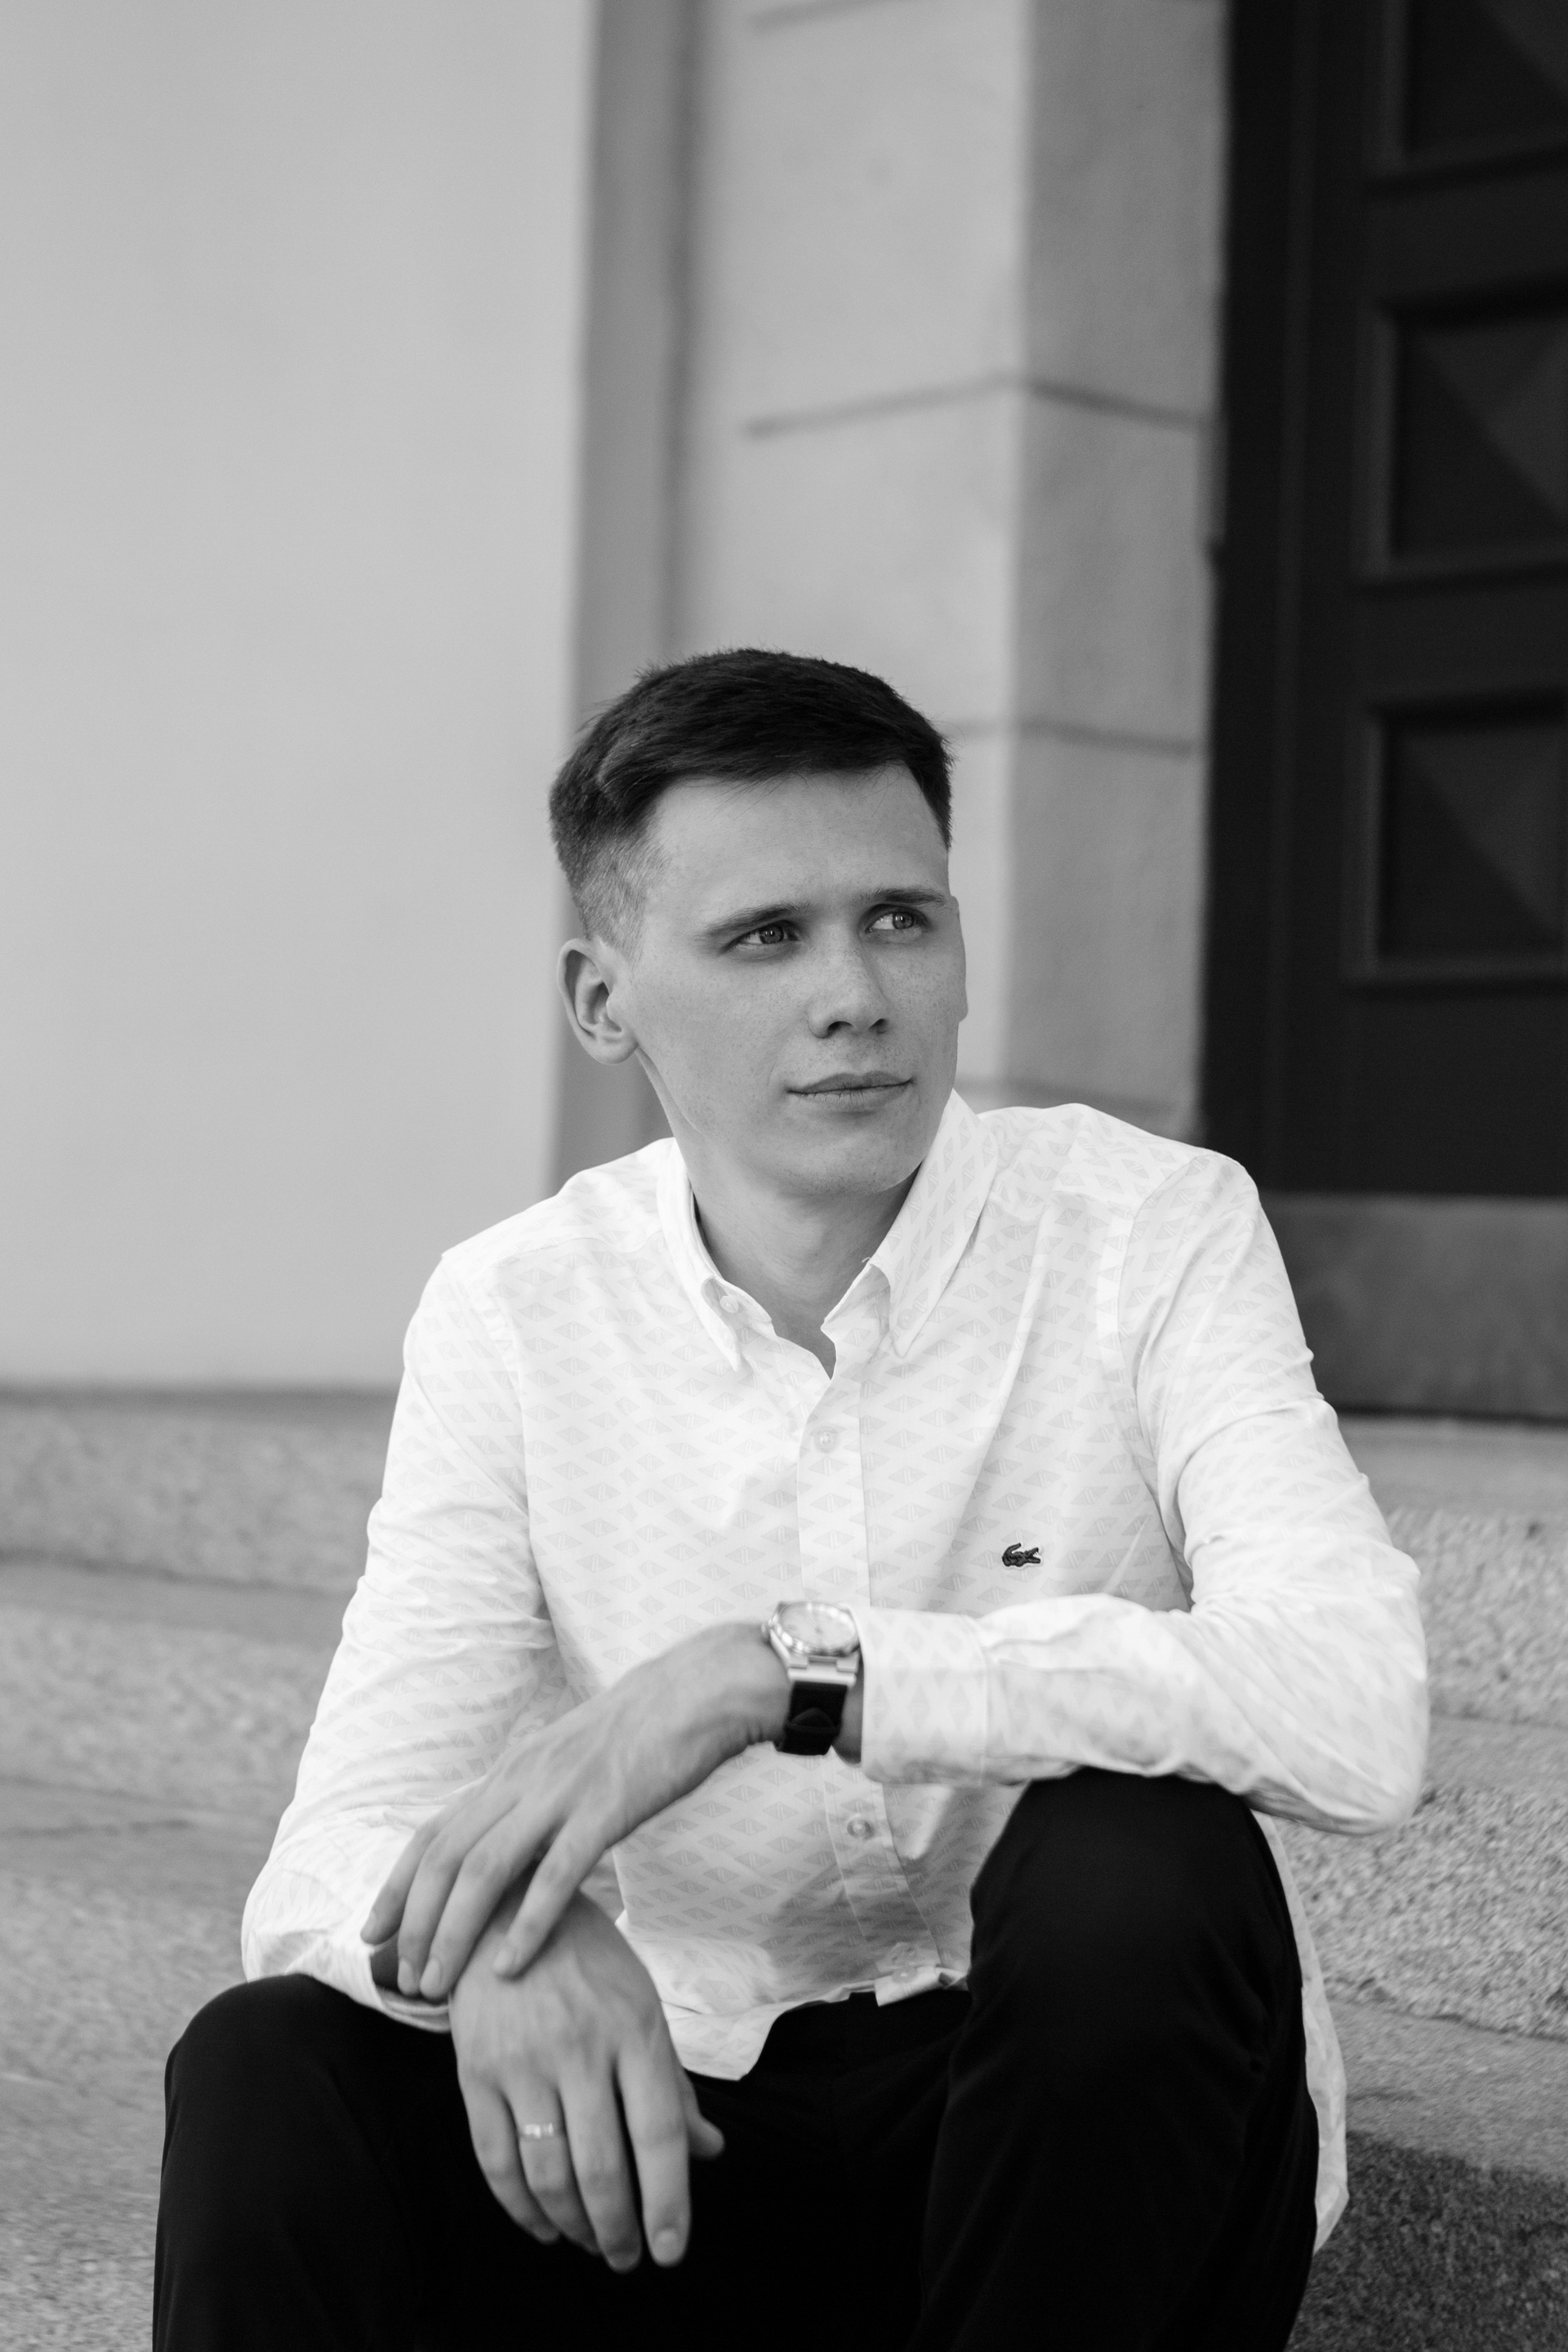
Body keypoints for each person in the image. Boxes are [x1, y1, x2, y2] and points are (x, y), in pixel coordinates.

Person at [154, 648, 1427, 2350]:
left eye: (901, 919)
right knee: (268, 2064)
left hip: (1068, 2161)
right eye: (765, 937)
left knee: (1142, 1854)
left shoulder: (1148, 1230)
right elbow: (335, 1845)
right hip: (684, 2157)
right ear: (603, 1000)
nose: (856, 994)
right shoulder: (517, 1310)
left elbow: (1356, 1706)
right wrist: (503, 1940)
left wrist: (790, 1672)